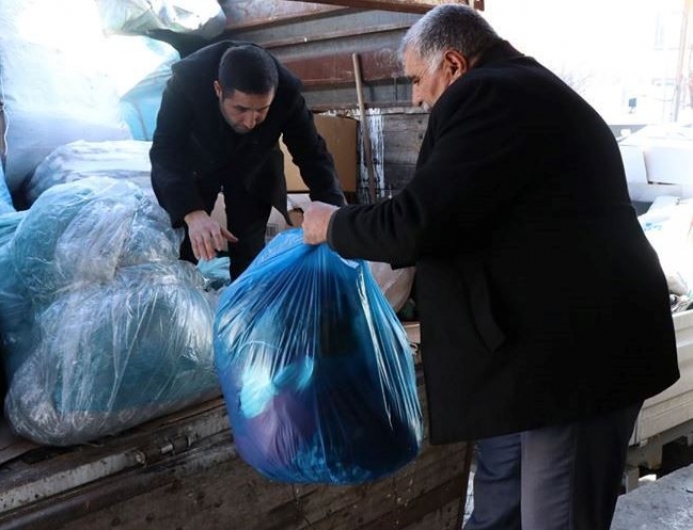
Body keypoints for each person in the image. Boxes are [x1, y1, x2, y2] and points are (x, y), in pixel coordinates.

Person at [301, 5, 679, 530]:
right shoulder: (517, 92)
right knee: (500, 503)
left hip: (575, 363)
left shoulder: (494, 96)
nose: (415, 96)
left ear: (453, 65)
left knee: (556, 514)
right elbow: (457, 214)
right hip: (527, 360)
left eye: (416, 79)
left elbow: (419, 222)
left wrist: (333, 224)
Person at [150, 41, 346, 280]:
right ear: (218, 89)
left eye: (261, 110)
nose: (250, 122)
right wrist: (192, 212)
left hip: (254, 162)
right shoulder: (187, 80)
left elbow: (313, 155)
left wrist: (335, 216)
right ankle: (179, 305)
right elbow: (165, 149)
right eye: (240, 109)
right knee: (184, 245)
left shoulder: (287, 93)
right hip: (197, 163)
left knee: (249, 252)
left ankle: (243, 312)